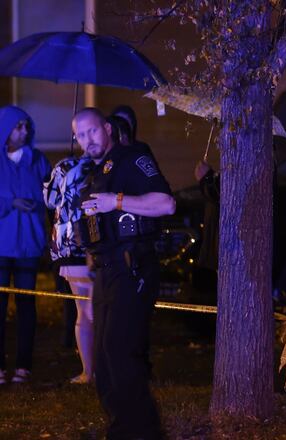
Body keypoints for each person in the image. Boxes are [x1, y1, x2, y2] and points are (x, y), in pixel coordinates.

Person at [73, 108, 175, 439]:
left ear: (107, 129)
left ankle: (145, 432)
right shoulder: (94, 173)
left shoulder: (133, 158)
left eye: (91, 132)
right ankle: (122, 429)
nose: (86, 140)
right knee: (103, 361)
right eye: (79, 135)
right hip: (106, 272)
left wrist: (115, 201)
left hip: (133, 268)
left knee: (121, 353)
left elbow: (165, 203)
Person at [0, 105, 51, 385]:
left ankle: (23, 365)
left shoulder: (38, 161)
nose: (25, 131)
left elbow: (52, 194)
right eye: (18, 126)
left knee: (26, 304)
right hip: (1, 245)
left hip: (28, 245)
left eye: (26, 126)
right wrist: (10, 203)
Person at [44, 143, 95, 384]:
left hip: (70, 246)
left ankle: (90, 370)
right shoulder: (94, 166)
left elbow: (49, 198)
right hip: (80, 245)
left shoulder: (65, 166)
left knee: (84, 311)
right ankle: (92, 371)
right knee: (90, 311)